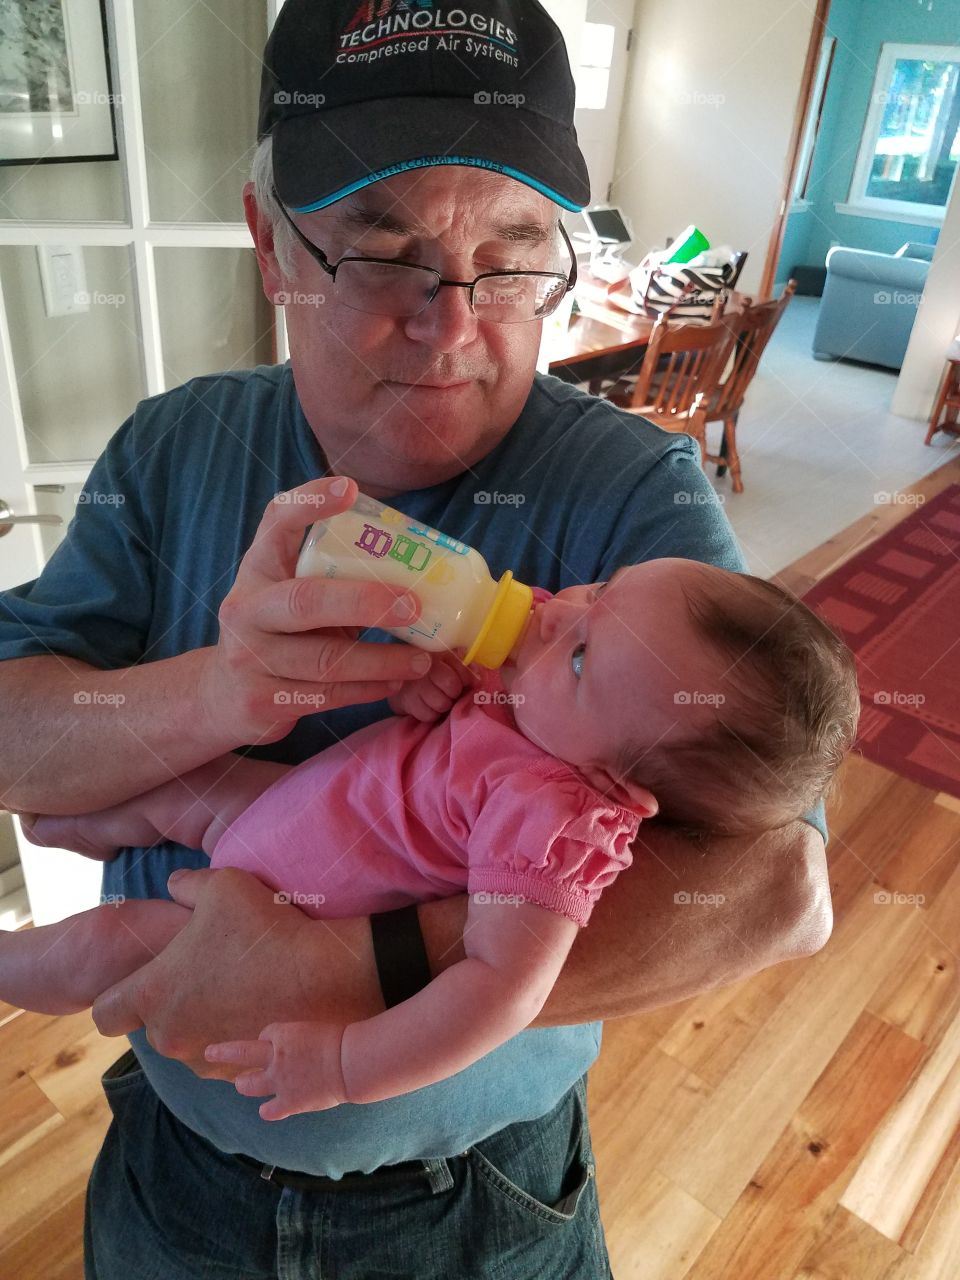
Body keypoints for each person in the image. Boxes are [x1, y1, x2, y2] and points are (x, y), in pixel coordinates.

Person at [0, 2, 833, 1276]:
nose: (455, 327)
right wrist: (216, 694)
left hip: (477, 1204)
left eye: (510, 261)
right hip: (177, 1169)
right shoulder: (175, 449)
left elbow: (778, 891)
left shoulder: (635, 502)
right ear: (270, 244)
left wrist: (359, 965)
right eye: (384, 260)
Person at [6, 552, 858, 1126]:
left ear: (616, 785)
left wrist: (348, 1063)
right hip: (284, 813)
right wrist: (432, 693)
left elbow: (499, 990)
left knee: (102, 944)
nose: (557, 612)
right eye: (601, 590)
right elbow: (458, 734)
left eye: (583, 653)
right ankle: (62, 818)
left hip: (286, 904)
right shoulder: (541, 706)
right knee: (170, 787)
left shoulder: (556, 820)